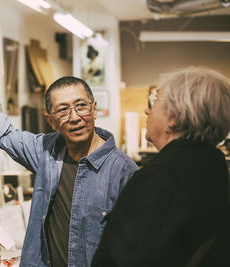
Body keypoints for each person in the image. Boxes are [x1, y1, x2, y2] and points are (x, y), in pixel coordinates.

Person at [0, 64, 138, 266]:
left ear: (94, 109)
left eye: (81, 106)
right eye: (63, 110)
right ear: (51, 121)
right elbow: (4, 133)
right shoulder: (46, 152)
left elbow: (136, 245)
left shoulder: (124, 171)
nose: (74, 117)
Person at [91, 67, 230, 267]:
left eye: (154, 101)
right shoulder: (211, 165)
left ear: (173, 117)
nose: (147, 110)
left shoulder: (164, 175)